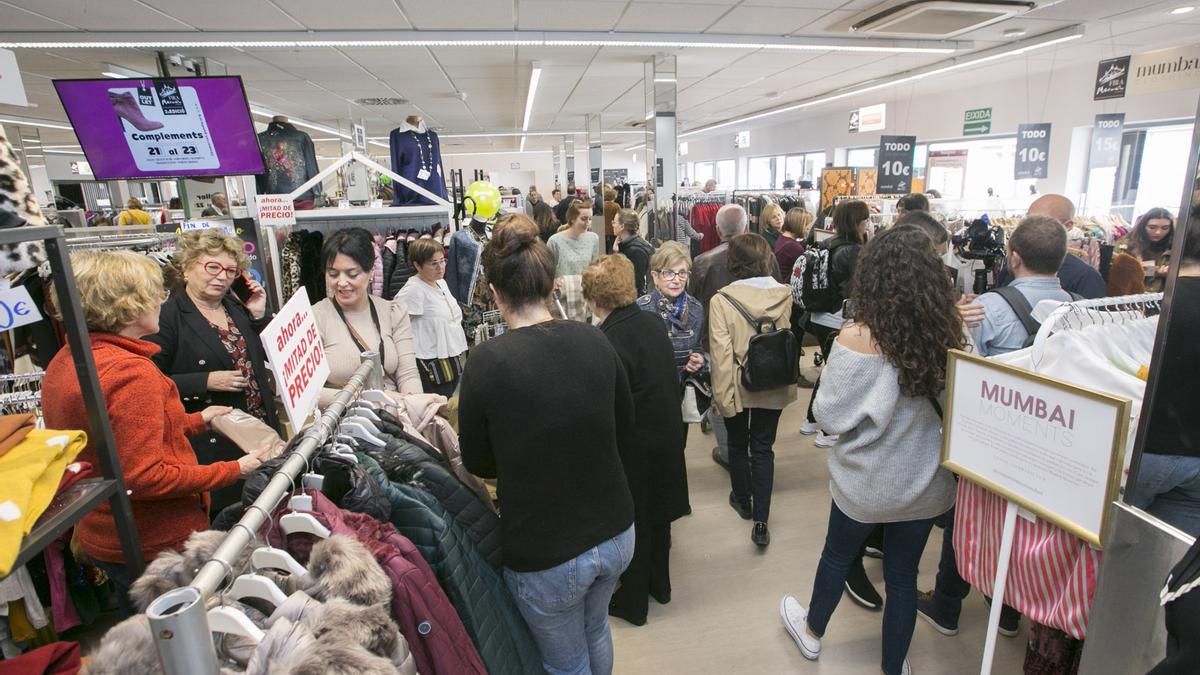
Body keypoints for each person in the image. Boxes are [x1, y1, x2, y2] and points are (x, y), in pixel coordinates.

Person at [781, 226, 962, 675]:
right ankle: (894, 664)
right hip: (926, 482)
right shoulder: (951, 336)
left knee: (837, 556)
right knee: (904, 577)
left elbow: (828, 415)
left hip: (865, 480)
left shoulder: (856, 338)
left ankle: (812, 632)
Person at [458, 217, 635, 674]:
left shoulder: (486, 361)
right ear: (553, 285)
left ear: (495, 294)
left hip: (547, 547)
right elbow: (624, 425)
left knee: (563, 661)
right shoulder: (595, 338)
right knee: (595, 629)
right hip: (615, 529)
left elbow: (478, 461)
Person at [42, 252, 260, 610]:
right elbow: (144, 477)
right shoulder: (130, 373)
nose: (162, 299)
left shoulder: (69, 359)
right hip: (154, 542)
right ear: (127, 306)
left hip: (105, 533)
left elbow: (112, 440)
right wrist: (235, 469)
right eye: (153, 292)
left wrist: (197, 419)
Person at [917, 214, 1073, 640]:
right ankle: (1006, 608)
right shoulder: (1077, 310)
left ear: (1013, 256)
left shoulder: (990, 307)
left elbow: (962, 375)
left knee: (965, 515)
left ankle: (947, 603)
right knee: (1021, 525)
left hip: (990, 438)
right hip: (1048, 442)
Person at [583, 254, 689, 627]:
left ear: (594, 298)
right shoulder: (651, 322)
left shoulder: (606, 339)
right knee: (659, 518)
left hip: (636, 444)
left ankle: (633, 604)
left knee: (638, 521)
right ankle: (660, 586)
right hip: (666, 433)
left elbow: (609, 405)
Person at [145, 229, 276, 515]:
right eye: (212, 266)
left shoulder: (235, 306)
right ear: (187, 267)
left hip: (257, 427)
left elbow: (265, 354)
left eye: (230, 270)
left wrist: (259, 314)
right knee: (231, 518)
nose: (222, 276)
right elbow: (150, 381)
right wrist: (205, 381)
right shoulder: (168, 317)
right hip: (213, 441)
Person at [709, 233, 795, 547]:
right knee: (763, 448)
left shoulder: (722, 300)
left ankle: (742, 498)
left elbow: (720, 355)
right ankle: (762, 520)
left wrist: (722, 398)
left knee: (737, 443)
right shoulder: (783, 294)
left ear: (733, 262)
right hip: (772, 382)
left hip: (736, 383)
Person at [689, 204, 780, 471]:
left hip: (715, 341)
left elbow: (695, 307)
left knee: (722, 398)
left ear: (717, 230)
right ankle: (755, 451)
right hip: (759, 341)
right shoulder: (767, 258)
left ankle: (729, 452)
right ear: (746, 228)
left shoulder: (703, 262)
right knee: (757, 393)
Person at [1131, 217, 1200, 533]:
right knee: (1170, 556)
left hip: (1149, 448)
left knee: (1116, 550)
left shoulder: (1166, 307)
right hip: (1192, 457)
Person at [313, 227, 422, 406]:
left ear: (371, 272)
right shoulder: (315, 318)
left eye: (352, 274)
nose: (341, 282)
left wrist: (413, 406)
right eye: (333, 274)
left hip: (393, 418)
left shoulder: (393, 312)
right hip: (341, 424)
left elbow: (408, 374)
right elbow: (309, 393)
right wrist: (367, 398)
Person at [800, 199, 869, 449]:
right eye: (865, 220)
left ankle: (811, 420)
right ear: (857, 222)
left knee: (831, 369)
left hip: (819, 317)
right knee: (839, 374)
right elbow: (855, 289)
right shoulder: (853, 251)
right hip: (838, 318)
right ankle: (828, 431)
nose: (868, 224)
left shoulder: (826, 243)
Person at [994, 194, 1106, 298]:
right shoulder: (1016, 263)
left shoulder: (1086, 277)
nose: (1030, 227)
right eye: (1028, 219)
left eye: (1041, 221)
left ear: (1067, 226)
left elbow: (1092, 318)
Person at [396, 238, 469, 397]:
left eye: (442, 261)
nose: (440, 267)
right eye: (433, 263)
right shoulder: (414, 289)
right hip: (429, 364)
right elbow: (396, 326)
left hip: (448, 359)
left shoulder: (441, 283)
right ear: (417, 265)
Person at [547, 201, 601, 321]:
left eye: (590, 219)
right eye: (584, 219)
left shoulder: (593, 238)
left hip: (585, 296)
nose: (588, 223)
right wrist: (552, 281)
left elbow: (595, 266)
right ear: (572, 219)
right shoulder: (555, 241)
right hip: (562, 300)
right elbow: (547, 269)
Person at [1121, 208, 1175, 291]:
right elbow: (1119, 269)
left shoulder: (1176, 247)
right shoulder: (1127, 243)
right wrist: (1154, 270)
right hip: (1131, 295)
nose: (1158, 232)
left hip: (1163, 297)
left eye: (1165, 228)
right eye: (1152, 227)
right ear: (1143, 226)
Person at [614, 209, 654, 296]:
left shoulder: (635, 251)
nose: (613, 225)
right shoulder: (632, 245)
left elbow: (634, 284)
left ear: (622, 226)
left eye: (615, 222)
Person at [775, 207, 812, 281]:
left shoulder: (782, 238)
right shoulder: (794, 247)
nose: (808, 228)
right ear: (798, 225)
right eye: (806, 225)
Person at [603, 187, 620, 254]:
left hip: (603, 229)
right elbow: (620, 217)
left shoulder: (602, 205)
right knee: (613, 247)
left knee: (604, 248)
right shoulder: (616, 206)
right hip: (613, 230)